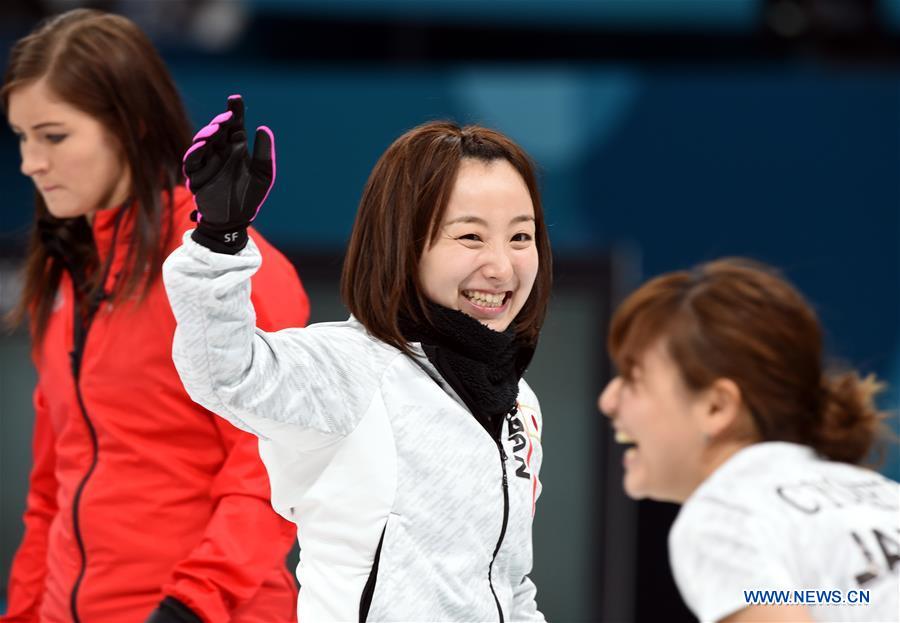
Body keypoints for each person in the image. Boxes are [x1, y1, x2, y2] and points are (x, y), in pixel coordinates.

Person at [162, 95, 551, 622]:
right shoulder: (348, 370)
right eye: (470, 237)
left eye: (521, 236)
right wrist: (219, 239)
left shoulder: (517, 402)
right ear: (403, 243)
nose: (502, 267)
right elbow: (225, 371)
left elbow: (509, 582)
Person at [2, 10, 309, 623]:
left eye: (54, 136)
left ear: (131, 127)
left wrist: (189, 609)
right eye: (21, 137)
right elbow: (52, 488)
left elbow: (274, 469)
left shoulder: (226, 270)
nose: (29, 163)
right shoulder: (67, 274)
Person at [598, 258, 899, 623]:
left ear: (716, 407)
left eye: (634, 380)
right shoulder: (883, 494)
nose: (608, 400)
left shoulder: (724, 516)